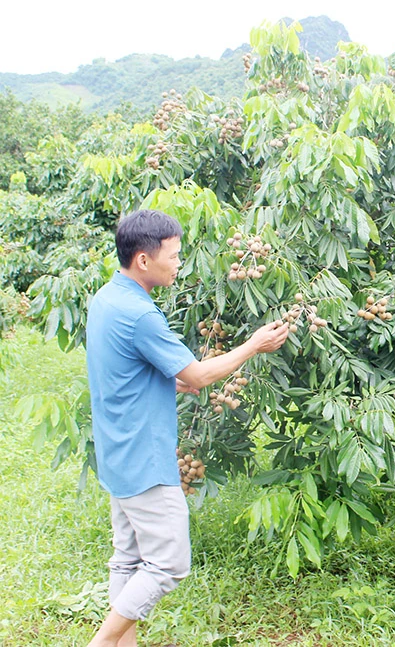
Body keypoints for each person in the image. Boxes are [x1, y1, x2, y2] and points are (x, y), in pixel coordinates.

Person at [85, 209, 288, 647]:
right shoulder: (141, 314)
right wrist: (253, 345)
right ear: (144, 260)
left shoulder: (106, 299)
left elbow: (125, 372)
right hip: (144, 458)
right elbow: (197, 376)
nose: (179, 263)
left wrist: (170, 380)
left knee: (129, 559)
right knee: (168, 564)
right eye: (174, 256)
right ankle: (101, 643)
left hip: (117, 451)